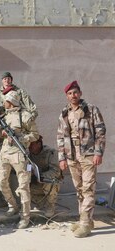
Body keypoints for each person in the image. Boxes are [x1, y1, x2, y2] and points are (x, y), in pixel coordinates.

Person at [57, 80, 106, 238]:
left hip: (88, 154)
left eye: (76, 92)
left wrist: (98, 153)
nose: (73, 95)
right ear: (67, 96)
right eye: (70, 93)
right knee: (79, 189)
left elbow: (100, 132)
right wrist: (62, 158)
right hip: (71, 155)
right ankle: (85, 219)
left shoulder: (91, 110)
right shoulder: (64, 113)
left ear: (80, 93)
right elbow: (60, 136)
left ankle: (85, 224)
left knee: (88, 188)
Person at [0, 90, 39, 229]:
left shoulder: (25, 116)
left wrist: (21, 138)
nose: (4, 102)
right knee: (1, 180)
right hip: (5, 152)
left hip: (19, 153)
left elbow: (35, 135)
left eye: (6, 100)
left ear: (12, 101)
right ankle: (12, 205)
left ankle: (25, 216)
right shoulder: (4, 116)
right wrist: (2, 133)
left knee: (23, 186)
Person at [29, 136, 62, 217]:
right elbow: (28, 168)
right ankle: (40, 201)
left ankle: (50, 206)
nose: (29, 146)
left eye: (31, 144)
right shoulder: (28, 155)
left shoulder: (51, 153)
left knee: (51, 181)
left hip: (48, 181)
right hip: (37, 183)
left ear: (39, 144)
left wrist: (40, 176)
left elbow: (56, 172)